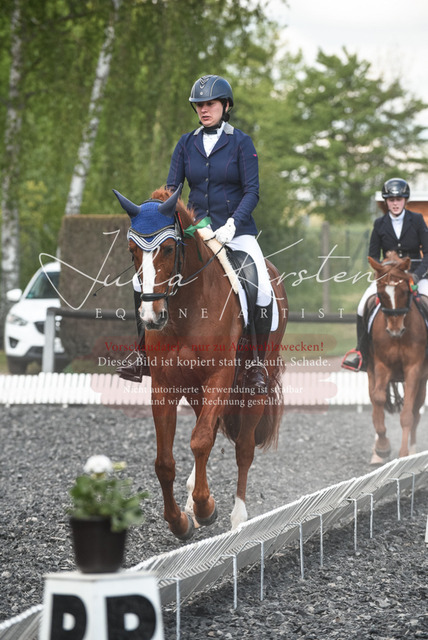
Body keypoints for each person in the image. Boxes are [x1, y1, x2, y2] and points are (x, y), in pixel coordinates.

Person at [117, 74, 274, 393]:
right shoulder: (186, 144)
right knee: (138, 280)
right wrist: (160, 217)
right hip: (196, 230)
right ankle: (143, 352)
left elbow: (252, 191)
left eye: (210, 104)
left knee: (262, 289)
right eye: (199, 105)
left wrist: (233, 223)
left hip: (236, 232)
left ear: (225, 106)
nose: (204, 109)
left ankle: (256, 365)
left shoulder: (241, 143)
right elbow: (171, 190)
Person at [342, 177, 428, 372]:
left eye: (399, 199)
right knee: (362, 305)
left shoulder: (416, 220)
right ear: (386, 202)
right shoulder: (380, 223)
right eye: (391, 200)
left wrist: (417, 275)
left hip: (415, 275)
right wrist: (383, 272)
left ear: (405, 200)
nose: (395, 203)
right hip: (388, 278)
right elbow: (373, 255)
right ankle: (361, 352)